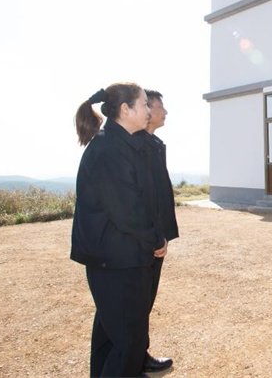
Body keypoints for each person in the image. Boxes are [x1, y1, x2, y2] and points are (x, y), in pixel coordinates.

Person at [71, 83, 167, 378]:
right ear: (125, 110)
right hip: (116, 259)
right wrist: (155, 238)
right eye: (143, 105)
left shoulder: (118, 143)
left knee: (110, 336)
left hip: (117, 257)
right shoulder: (110, 148)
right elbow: (126, 210)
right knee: (128, 342)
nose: (149, 110)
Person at [135, 90, 179, 374]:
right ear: (147, 110)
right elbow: (138, 199)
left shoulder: (154, 143)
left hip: (155, 235)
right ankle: (135, 357)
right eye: (161, 106)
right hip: (144, 239)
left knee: (145, 300)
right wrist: (153, 235)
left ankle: (140, 353)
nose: (166, 112)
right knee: (136, 302)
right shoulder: (136, 146)